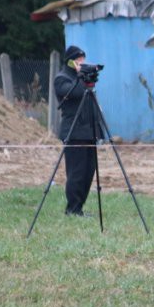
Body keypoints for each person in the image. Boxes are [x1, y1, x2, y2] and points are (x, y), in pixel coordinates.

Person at [54, 45, 98, 217]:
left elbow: (88, 92)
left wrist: (88, 77)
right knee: (77, 172)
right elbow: (77, 92)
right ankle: (72, 209)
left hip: (89, 131)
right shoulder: (62, 78)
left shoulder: (82, 78)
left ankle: (79, 207)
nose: (82, 62)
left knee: (89, 171)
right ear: (70, 60)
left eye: (83, 59)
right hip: (73, 132)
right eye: (79, 59)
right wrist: (81, 76)